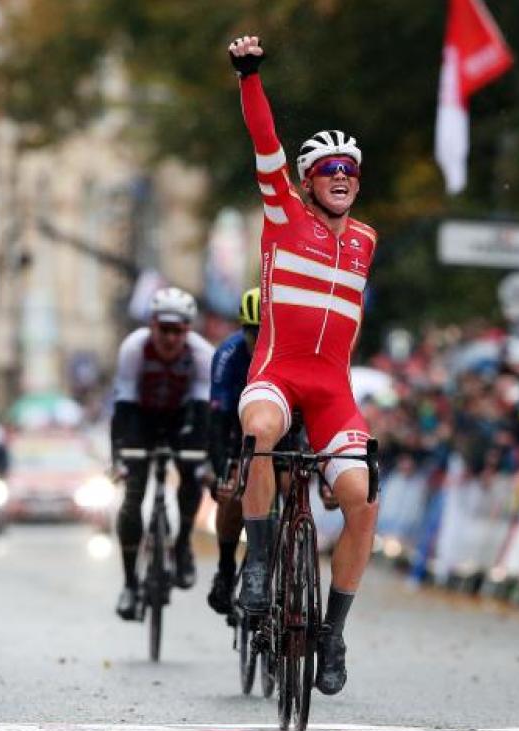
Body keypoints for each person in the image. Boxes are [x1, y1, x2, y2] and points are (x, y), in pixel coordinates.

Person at [228, 34, 380, 696]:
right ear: (309, 182)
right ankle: (259, 564)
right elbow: (266, 146)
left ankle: (332, 632)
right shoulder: (284, 214)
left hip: (331, 394)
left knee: (364, 499)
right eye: (328, 169)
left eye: (350, 167)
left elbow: (347, 324)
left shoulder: (367, 241)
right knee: (258, 431)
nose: (341, 175)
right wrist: (249, 77)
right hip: (278, 375)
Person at [110, 287, 214, 621]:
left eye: (177, 331)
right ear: (152, 325)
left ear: (188, 330)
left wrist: (205, 459)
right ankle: (129, 583)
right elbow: (122, 407)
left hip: (181, 419)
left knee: (192, 475)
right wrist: (119, 458)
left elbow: (203, 413)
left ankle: (182, 543)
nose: (169, 338)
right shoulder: (134, 348)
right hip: (140, 417)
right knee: (133, 496)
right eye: (163, 329)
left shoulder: (201, 354)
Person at [206, 287, 263, 615]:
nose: (258, 339)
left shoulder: (287, 351)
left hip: (280, 430)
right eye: (252, 332)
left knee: (286, 482)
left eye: (264, 332)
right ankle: (226, 570)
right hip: (235, 429)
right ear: (242, 330)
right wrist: (220, 470)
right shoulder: (228, 355)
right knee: (232, 493)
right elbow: (217, 421)